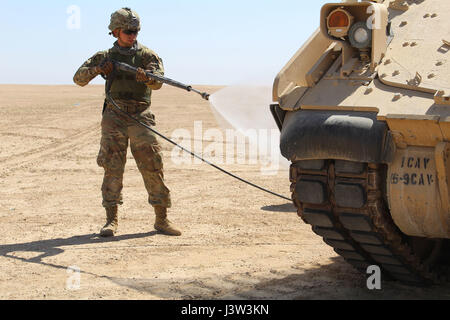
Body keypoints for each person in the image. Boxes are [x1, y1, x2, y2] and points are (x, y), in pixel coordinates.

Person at [73, 7, 181, 237]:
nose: (133, 35)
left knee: (152, 166)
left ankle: (161, 219)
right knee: (112, 167)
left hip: (140, 116)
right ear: (115, 31)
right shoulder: (105, 56)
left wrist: (147, 78)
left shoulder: (147, 56)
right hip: (114, 117)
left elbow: (158, 82)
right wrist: (98, 69)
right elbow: (78, 78)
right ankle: (111, 220)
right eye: (128, 31)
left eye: (136, 31)